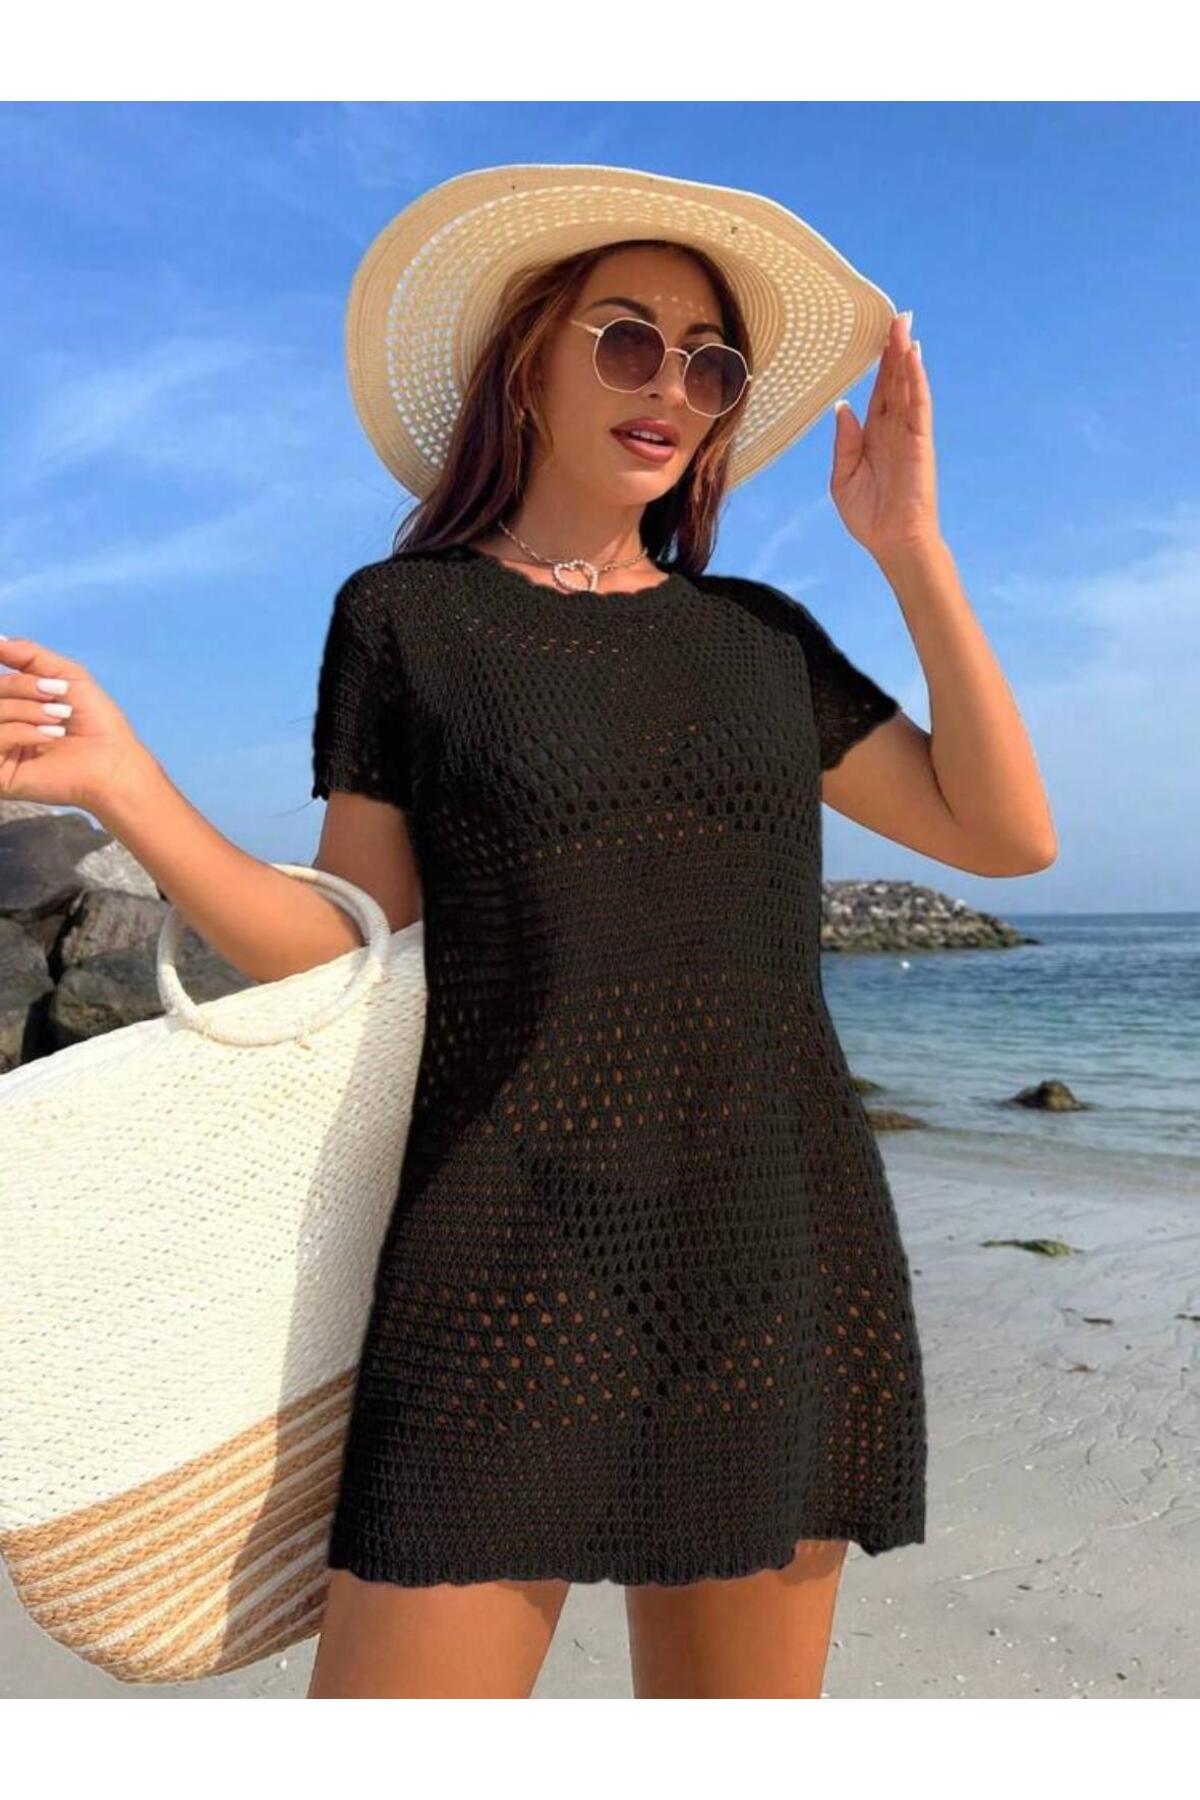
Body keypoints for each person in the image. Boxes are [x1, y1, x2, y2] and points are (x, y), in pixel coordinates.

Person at [0, 163, 1057, 1699]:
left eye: (711, 364)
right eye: (628, 340)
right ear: (527, 364)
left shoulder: (760, 642)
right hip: (500, 1257)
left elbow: (1006, 835)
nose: (673, 386)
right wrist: (127, 788)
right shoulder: (409, 618)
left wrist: (911, 548)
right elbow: (348, 943)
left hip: (771, 1248)